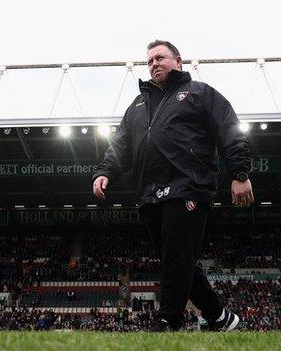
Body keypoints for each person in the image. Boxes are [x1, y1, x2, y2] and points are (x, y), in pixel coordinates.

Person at [92, 40, 254, 331]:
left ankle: (168, 320)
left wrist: (240, 173)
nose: (154, 63)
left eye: (160, 57)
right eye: (150, 60)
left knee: (177, 257)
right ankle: (220, 317)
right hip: (150, 193)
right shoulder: (138, 105)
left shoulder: (199, 93)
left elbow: (228, 128)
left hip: (188, 185)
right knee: (177, 260)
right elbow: (121, 145)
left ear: (178, 61)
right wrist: (105, 171)